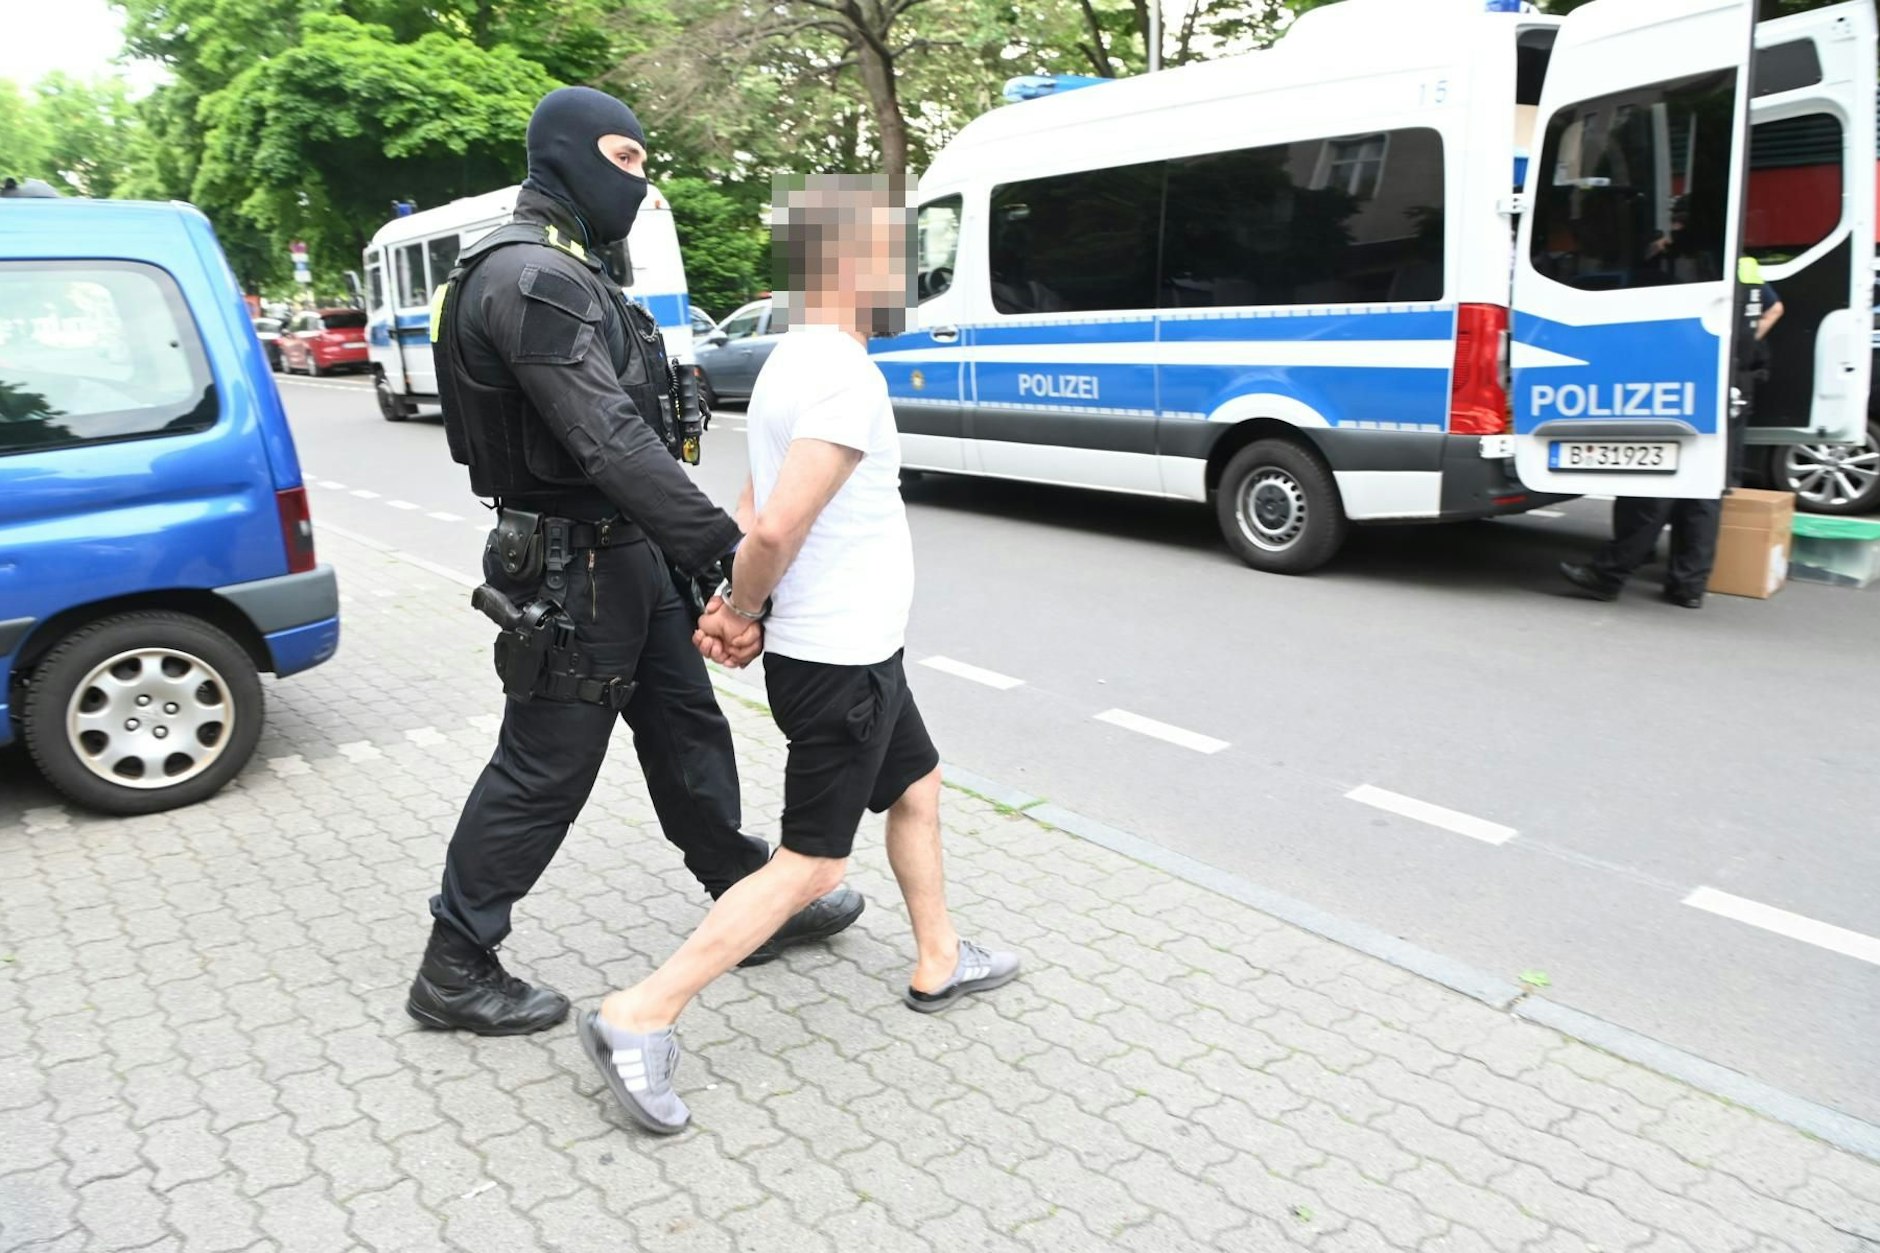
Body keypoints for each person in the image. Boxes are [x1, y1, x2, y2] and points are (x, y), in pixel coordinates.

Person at [406, 89, 863, 1037]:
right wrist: (730, 557)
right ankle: (455, 962)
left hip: (622, 556)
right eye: (625, 158)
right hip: (573, 572)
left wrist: (682, 557)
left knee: (687, 726)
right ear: (567, 154)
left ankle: (743, 893)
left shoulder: (567, 267)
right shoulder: (531, 277)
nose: (642, 182)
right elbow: (608, 440)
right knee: (545, 766)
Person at [575, 175, 1019, 1134]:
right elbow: (776, 525)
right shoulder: (845, 377)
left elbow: (750, 504)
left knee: (918, 784)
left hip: (859, 651)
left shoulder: (790, 361)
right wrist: (741, 604)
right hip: (840, 659)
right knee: (813, 863)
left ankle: (939, 956)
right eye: (895, 256)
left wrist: (729, 609)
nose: (909, 277)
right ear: (848, 262)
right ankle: (639, 1014)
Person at [1560, 257, 1784, 610]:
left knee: (1656, 480)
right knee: (1705, 487)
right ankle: (1688, 586)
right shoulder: (1744, 263)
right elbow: (1775, 308)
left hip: (1691, 377)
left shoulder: (1695, 262)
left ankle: (1610, 573)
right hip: (1735, 382)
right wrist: (1738, 352)